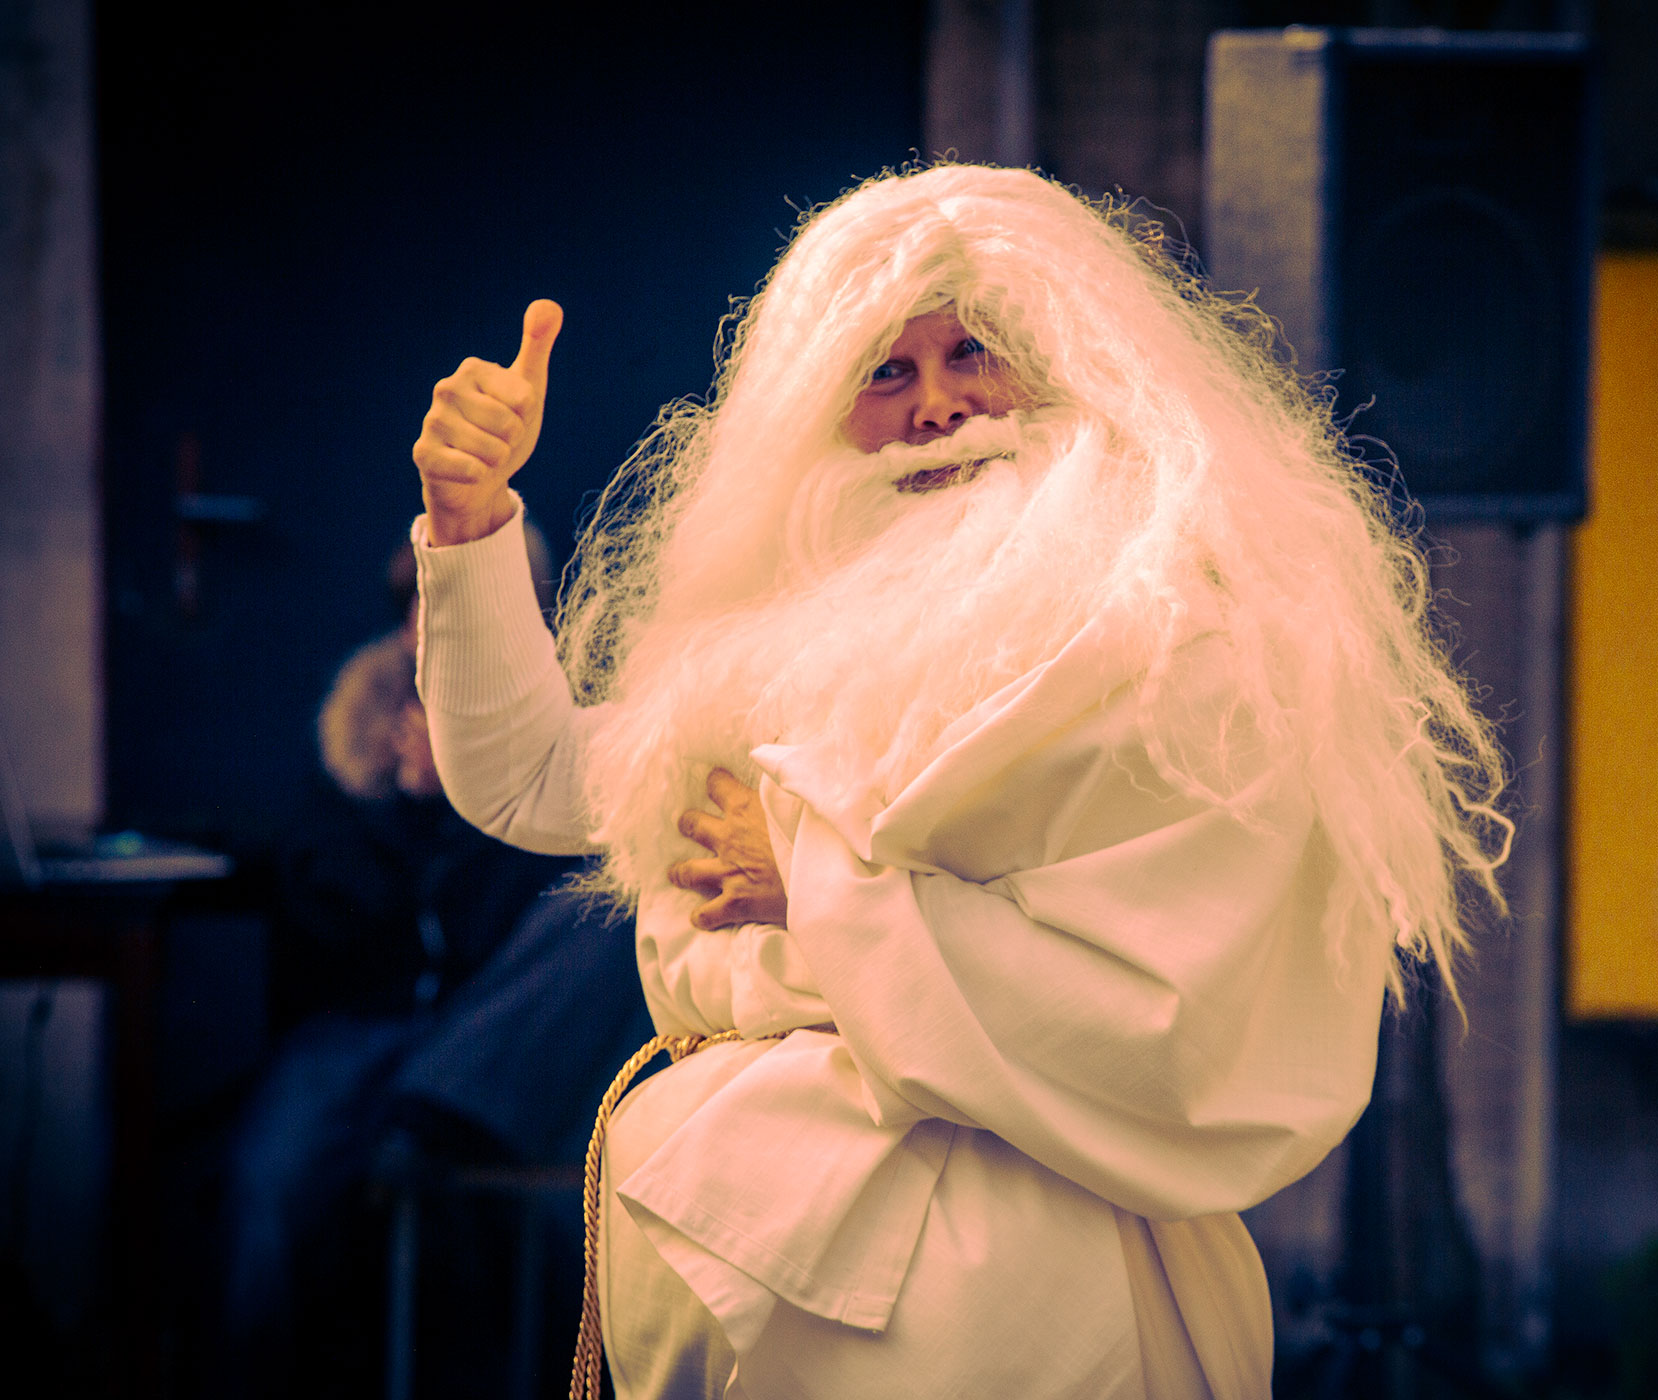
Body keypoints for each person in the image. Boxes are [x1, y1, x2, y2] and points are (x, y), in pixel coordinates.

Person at [409, 164, 1508, 1397]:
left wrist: (815, 877)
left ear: (1077, 362)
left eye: (975, 352)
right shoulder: (788, 622)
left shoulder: (1180, 641)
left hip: (997, 1277)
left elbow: (1169, 1010)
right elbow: (540, 783)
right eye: (886, 371)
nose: (937, 407)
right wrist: (470, 524)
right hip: (738, 1256)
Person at [220, 553, 652, 1398]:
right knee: (270, 1187)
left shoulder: (549, 736)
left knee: (540, 1208)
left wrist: (471, 809)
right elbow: (326, 909)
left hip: (482, 1035)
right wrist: (411, 807)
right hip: (358, 1027)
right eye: (430, 606)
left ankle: (427, 1122)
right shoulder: (358, 726)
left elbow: (529, 927)